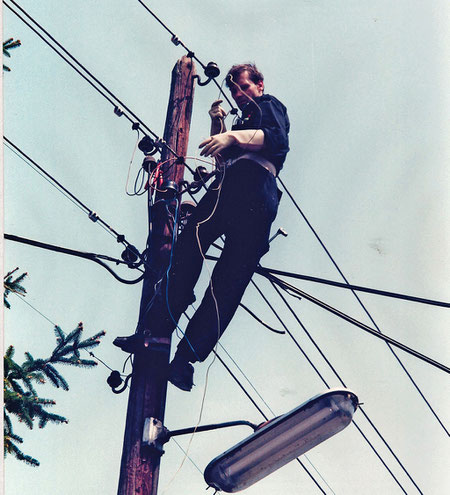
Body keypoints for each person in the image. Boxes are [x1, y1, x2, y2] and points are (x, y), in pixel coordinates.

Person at [116, 63, 290, 391]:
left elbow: (272, 137)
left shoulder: (268, 106)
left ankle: (182, 357)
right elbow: (224, 160)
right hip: (238, 187)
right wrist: (220, 125)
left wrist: (230, 135)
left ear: (259, 84)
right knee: (188, 254)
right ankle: (156, 336)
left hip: (252, 187)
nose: (240, 95)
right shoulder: (242, 121)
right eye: (236, 90)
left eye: (244, 87)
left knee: (224, 280)